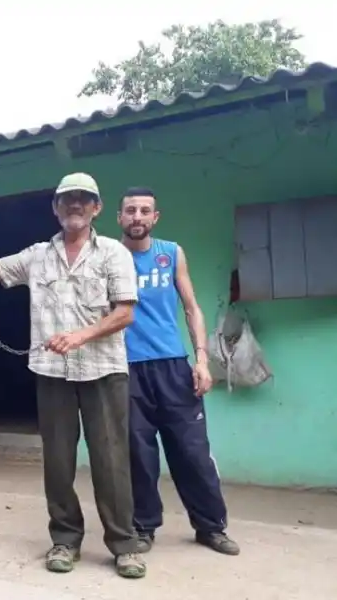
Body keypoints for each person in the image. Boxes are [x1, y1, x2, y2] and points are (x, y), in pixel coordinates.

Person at [0, 173, 147, 579]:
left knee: (111, 461)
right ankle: (65, 540)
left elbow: (124, 313)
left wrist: (80, 336)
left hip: (103, 371)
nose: (75, 205)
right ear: (56, 208)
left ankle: (124, 545)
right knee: (58, 462)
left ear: (97, 208)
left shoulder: (113, 253)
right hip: (52, 373)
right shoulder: (38, 256)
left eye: (83, 199)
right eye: (67, 199)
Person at [118, 187, 239, 556]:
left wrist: (201, 359)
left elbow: (191, 307)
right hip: (126, 370)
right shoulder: (109, 256)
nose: (137, 217)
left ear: (155, 217)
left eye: (145, 211)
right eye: (130, 210)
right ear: (119, 217)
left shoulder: (170, 253)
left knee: (192, 452)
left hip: (173, 366)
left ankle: (211, 527)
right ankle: (143, 527)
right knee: (138, 455)